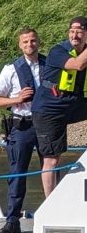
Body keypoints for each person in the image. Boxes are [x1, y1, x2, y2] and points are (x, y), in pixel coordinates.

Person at [0, 28, 45, 233]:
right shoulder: (11, 69)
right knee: (17, 173)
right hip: (22, 126)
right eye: (25, 42)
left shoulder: (49, 65)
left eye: (33, 41)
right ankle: (12, 220)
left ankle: (53, 214)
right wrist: (17, 99)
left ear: (38, 42)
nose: (30, 44)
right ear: (19, 45)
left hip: (45, 124)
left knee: (50, 171)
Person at [32, 16, 87, 200]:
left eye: (79, 31)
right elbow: (78, 65)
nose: (75, 35)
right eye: (72, 31)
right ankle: (51, 204)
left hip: (73, 102)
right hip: (49, 109)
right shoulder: (58, 51)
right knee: (52, 159)